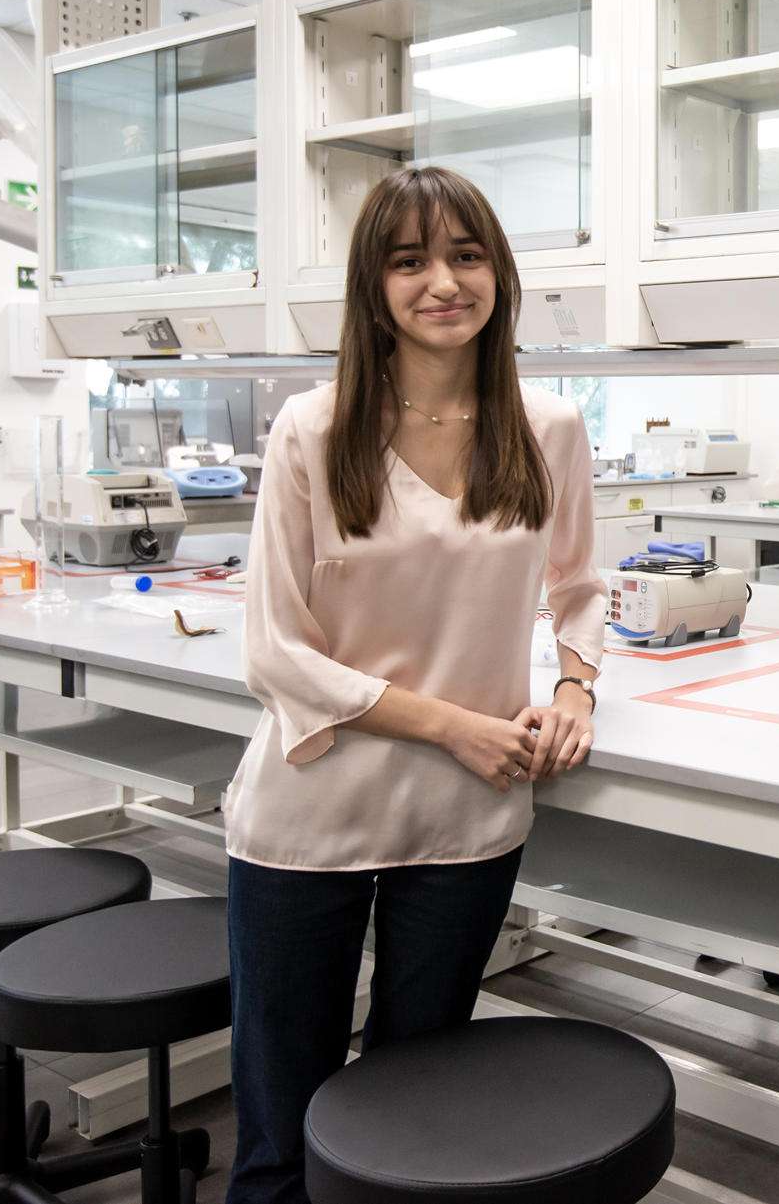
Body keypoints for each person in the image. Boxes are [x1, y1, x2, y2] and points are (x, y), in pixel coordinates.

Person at [223, 167, 606, 1204]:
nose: (444, 281)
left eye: (467, 255)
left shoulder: (550, 426)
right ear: (374, 286)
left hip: (465, 821)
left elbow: (578, 582)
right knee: (280, 1127)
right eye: (410, 260)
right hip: (312, 812)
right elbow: (274, 654)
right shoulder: (313, 427)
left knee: (415, 1117)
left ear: (498, 274)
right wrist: (454, 725)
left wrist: (574, 687)